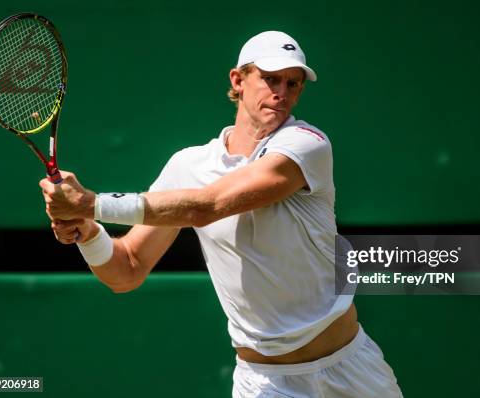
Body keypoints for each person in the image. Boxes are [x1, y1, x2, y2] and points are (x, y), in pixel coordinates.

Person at [40, 31, 403, 398]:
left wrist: (90, 203)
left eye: (293, 83)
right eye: (270, 78)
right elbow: (127, 269)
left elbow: (206, 206)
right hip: (266, 384)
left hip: (350, 371)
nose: (282, 92)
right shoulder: (188, 166)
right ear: (238, 80)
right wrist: (89, 233)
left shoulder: (306, 144)